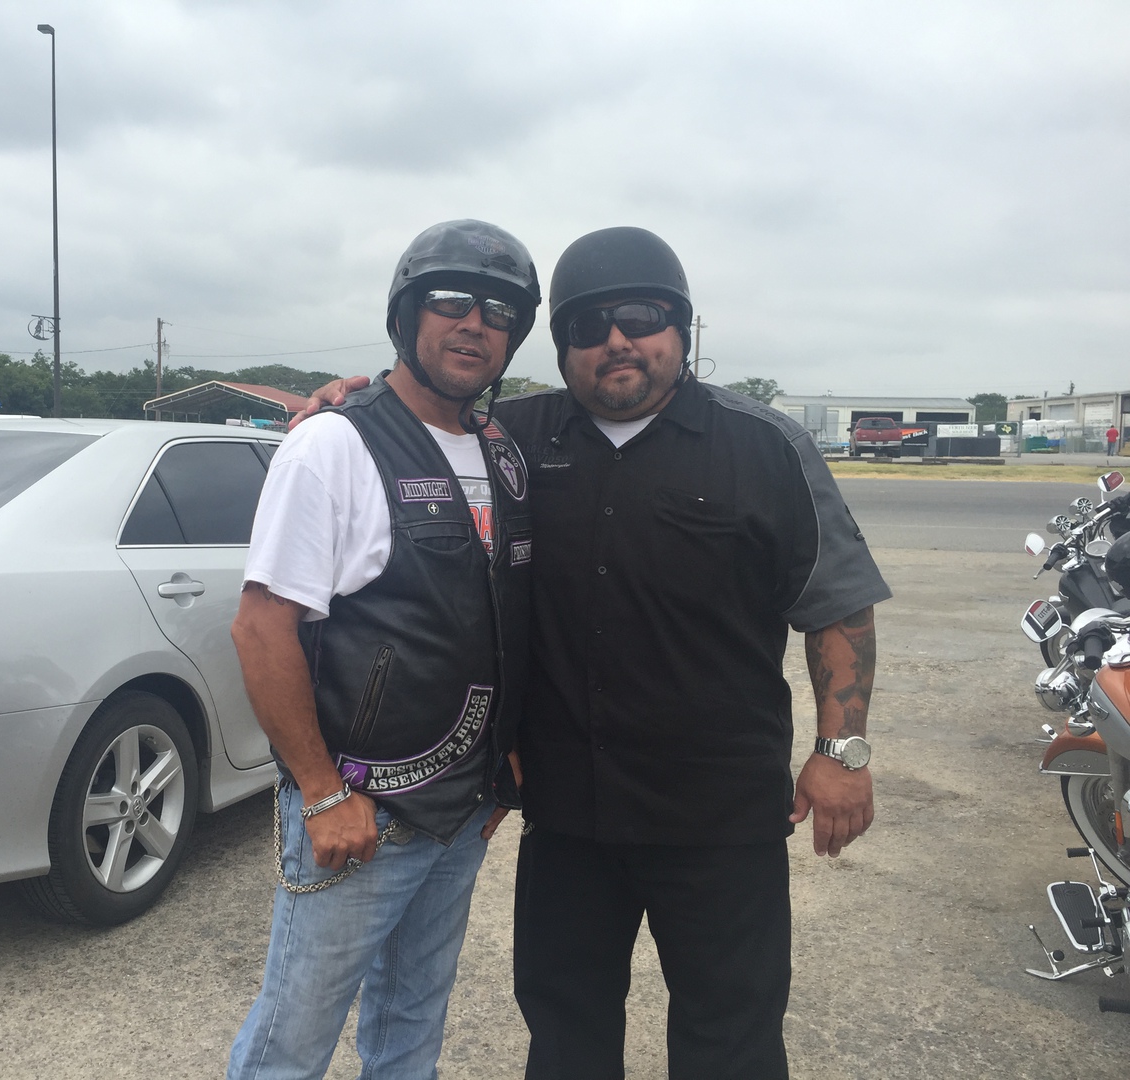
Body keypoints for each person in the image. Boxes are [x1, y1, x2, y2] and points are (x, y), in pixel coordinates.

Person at [297, 226, 891, 1080]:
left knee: (731, 1039)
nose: (617, 340)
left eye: (641, 317)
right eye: (587, 325)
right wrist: (345, 406)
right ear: (560, 345)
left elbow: (837, 605)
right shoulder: (510, 439)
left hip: (720, 821)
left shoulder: (764, 447)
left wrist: (843, 751)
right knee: (565, 1034)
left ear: (681, 328)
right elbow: (411, 418)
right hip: (568, 817)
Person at [226, 219, 540, 1079]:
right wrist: (323, 793)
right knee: (292, 1043)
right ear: (406, 314)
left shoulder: (502, 453)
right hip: (363, 812)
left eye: (499, 311)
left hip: (463, 810)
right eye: (451, 301)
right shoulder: (336, 442)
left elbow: (499, 620)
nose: (475, 323)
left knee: (411, 1029)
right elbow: (261, 628)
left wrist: (503, 756)